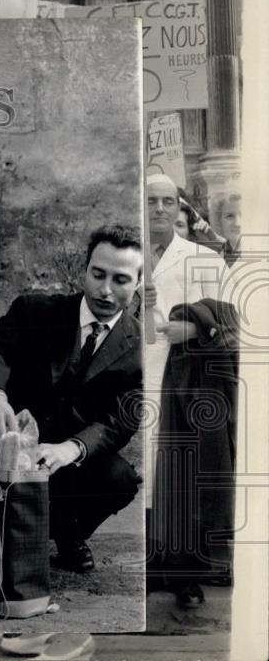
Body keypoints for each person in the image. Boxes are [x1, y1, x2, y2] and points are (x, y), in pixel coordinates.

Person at [0, 224, 144, 573]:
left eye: (121, 280)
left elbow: (121, 419)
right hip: (10, 443)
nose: (105, 290)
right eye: (98, 274)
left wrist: (71, 449)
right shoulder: (35, 311)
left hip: (69, 459)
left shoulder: (141, 347)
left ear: (138, 283)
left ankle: (67, 534)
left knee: (120, 479)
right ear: (84, 270)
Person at [143, 174, 233, 608]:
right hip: (137, 374)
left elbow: (233, 318)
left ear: (179, 208)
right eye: (150, 201)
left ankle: (185, 574)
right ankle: (150, 564)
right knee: (149, 471)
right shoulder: (127, 258)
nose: (159, 208)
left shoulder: (205, 259)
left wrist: (195, 326)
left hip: (186, 379)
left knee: (183, 472)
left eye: (167, 200)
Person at [211, 191, 242, 267]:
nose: (237, 223)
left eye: (242, 215)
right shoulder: (218, 254)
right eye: (230, 216)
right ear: (219, 220)